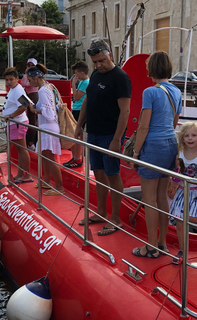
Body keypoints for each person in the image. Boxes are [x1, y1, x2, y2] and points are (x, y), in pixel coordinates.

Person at [75, 39, 132, 236]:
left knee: (112, 174)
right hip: (94, 133)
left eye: (101, 60)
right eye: (95, 62)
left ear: (111, 56)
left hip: (110, 135)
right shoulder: (96, 75)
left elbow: (125, 111)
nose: (99, 65)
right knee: (98, 173)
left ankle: (116, 219)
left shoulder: (120, 78)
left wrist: (117, 140)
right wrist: (79, 125)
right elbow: (88, 100)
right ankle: (100, 211)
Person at [129, 51, 181, 258]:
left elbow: (143, 127)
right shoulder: (176, 91)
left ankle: (150, 246)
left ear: (153, 68)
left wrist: (136, 153)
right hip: (170, 144)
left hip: (153, 146)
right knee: (161, 197)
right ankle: (162, 243)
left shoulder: (150, 92)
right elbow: (175, 122)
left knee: (149, 198)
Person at [166, 122, 197, 262]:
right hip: (183, 191)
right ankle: (182, 250)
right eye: (187, 136)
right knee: (180, 221)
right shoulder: (180, 154)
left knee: (194, 218)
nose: (190, 138)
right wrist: (172, 185)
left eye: (193, 135)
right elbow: (177, 173)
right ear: (182, 138)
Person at [26, 64, 65, 196]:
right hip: (50, 127)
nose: (29, 83)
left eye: (30, 80)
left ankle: (59, 187)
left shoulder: (42, 91)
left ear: (36, 78)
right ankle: (46, 180)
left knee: (50, 158)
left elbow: (49, 113)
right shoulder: (50, 86)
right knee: (45, 156)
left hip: (48, 127)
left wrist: (34, 110)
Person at [2, 67, 32, 183]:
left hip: (18, 123)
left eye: (11, 79)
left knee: (22, 150)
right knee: (20, 150)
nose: (9, 82)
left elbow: (24, 105)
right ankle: (21, 174)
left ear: (17, 79)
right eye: (7, 80)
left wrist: (11, 116)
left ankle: (26, 175)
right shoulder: (14, 90)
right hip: (15, 123)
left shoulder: (18, 90)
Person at [63, 61, 89, 168]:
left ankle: (78, 158)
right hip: (77, 109)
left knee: (78, 135)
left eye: (76, 73)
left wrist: (73, 83)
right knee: (75, 134)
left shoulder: (86, 83)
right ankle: (75, 157)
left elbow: (77, 97)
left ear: (81, 73)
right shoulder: (83, 82)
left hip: (79, 110)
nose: (75, 76)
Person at [21, 58, 39, 151]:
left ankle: (31, 143)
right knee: (28, 118)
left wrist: (26, 73)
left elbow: (25, 83)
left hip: (32, 96)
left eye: (32, 66)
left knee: (32, 120)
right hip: (28, 95)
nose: (30, 67)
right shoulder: (31, 75)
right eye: (28, 65)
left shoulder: (34, 75)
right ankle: (30, 141)